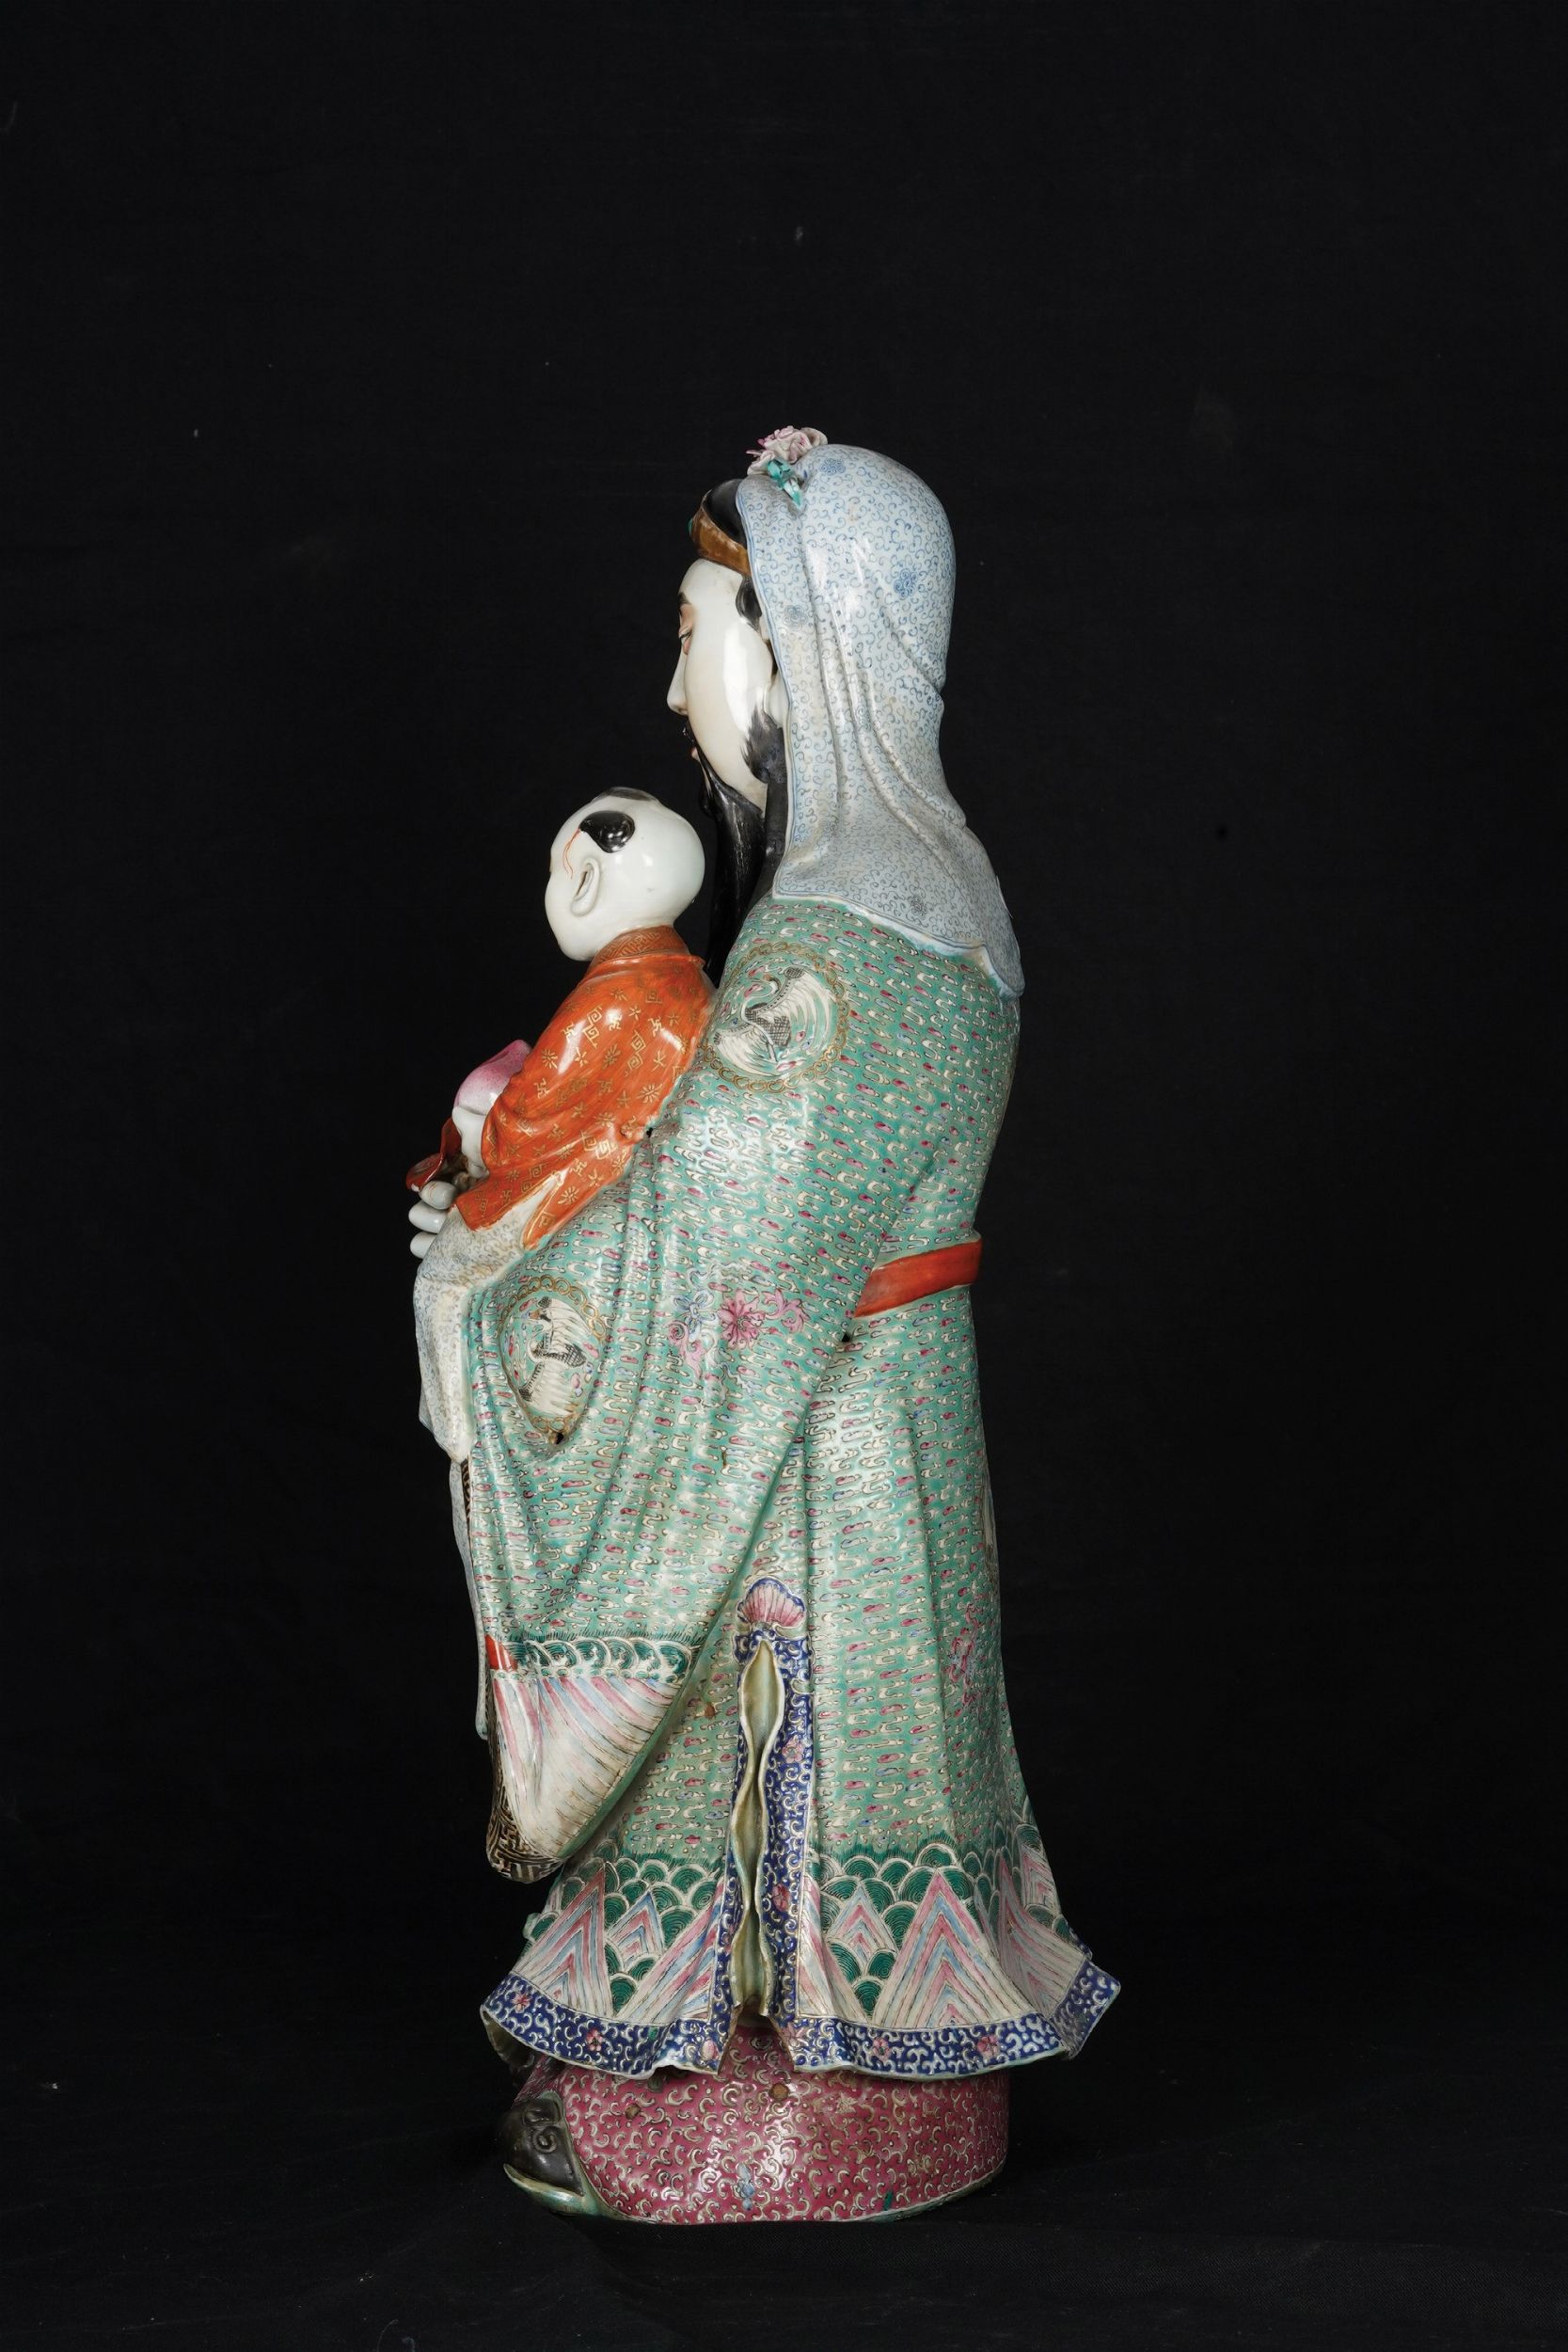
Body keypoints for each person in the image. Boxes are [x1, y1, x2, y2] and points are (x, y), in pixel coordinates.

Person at [408, 432, 1119, 2221]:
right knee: (857, 1747)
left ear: (806, 641)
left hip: (810, 1443)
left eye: (697, 637)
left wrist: (490, 1276)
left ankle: (790, 2109)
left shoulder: (835, 943)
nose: (677, 691)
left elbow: (708, 1246)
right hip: (877, 1415)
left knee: (787, 1748)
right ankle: (823, 2063)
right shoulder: (938, 888)